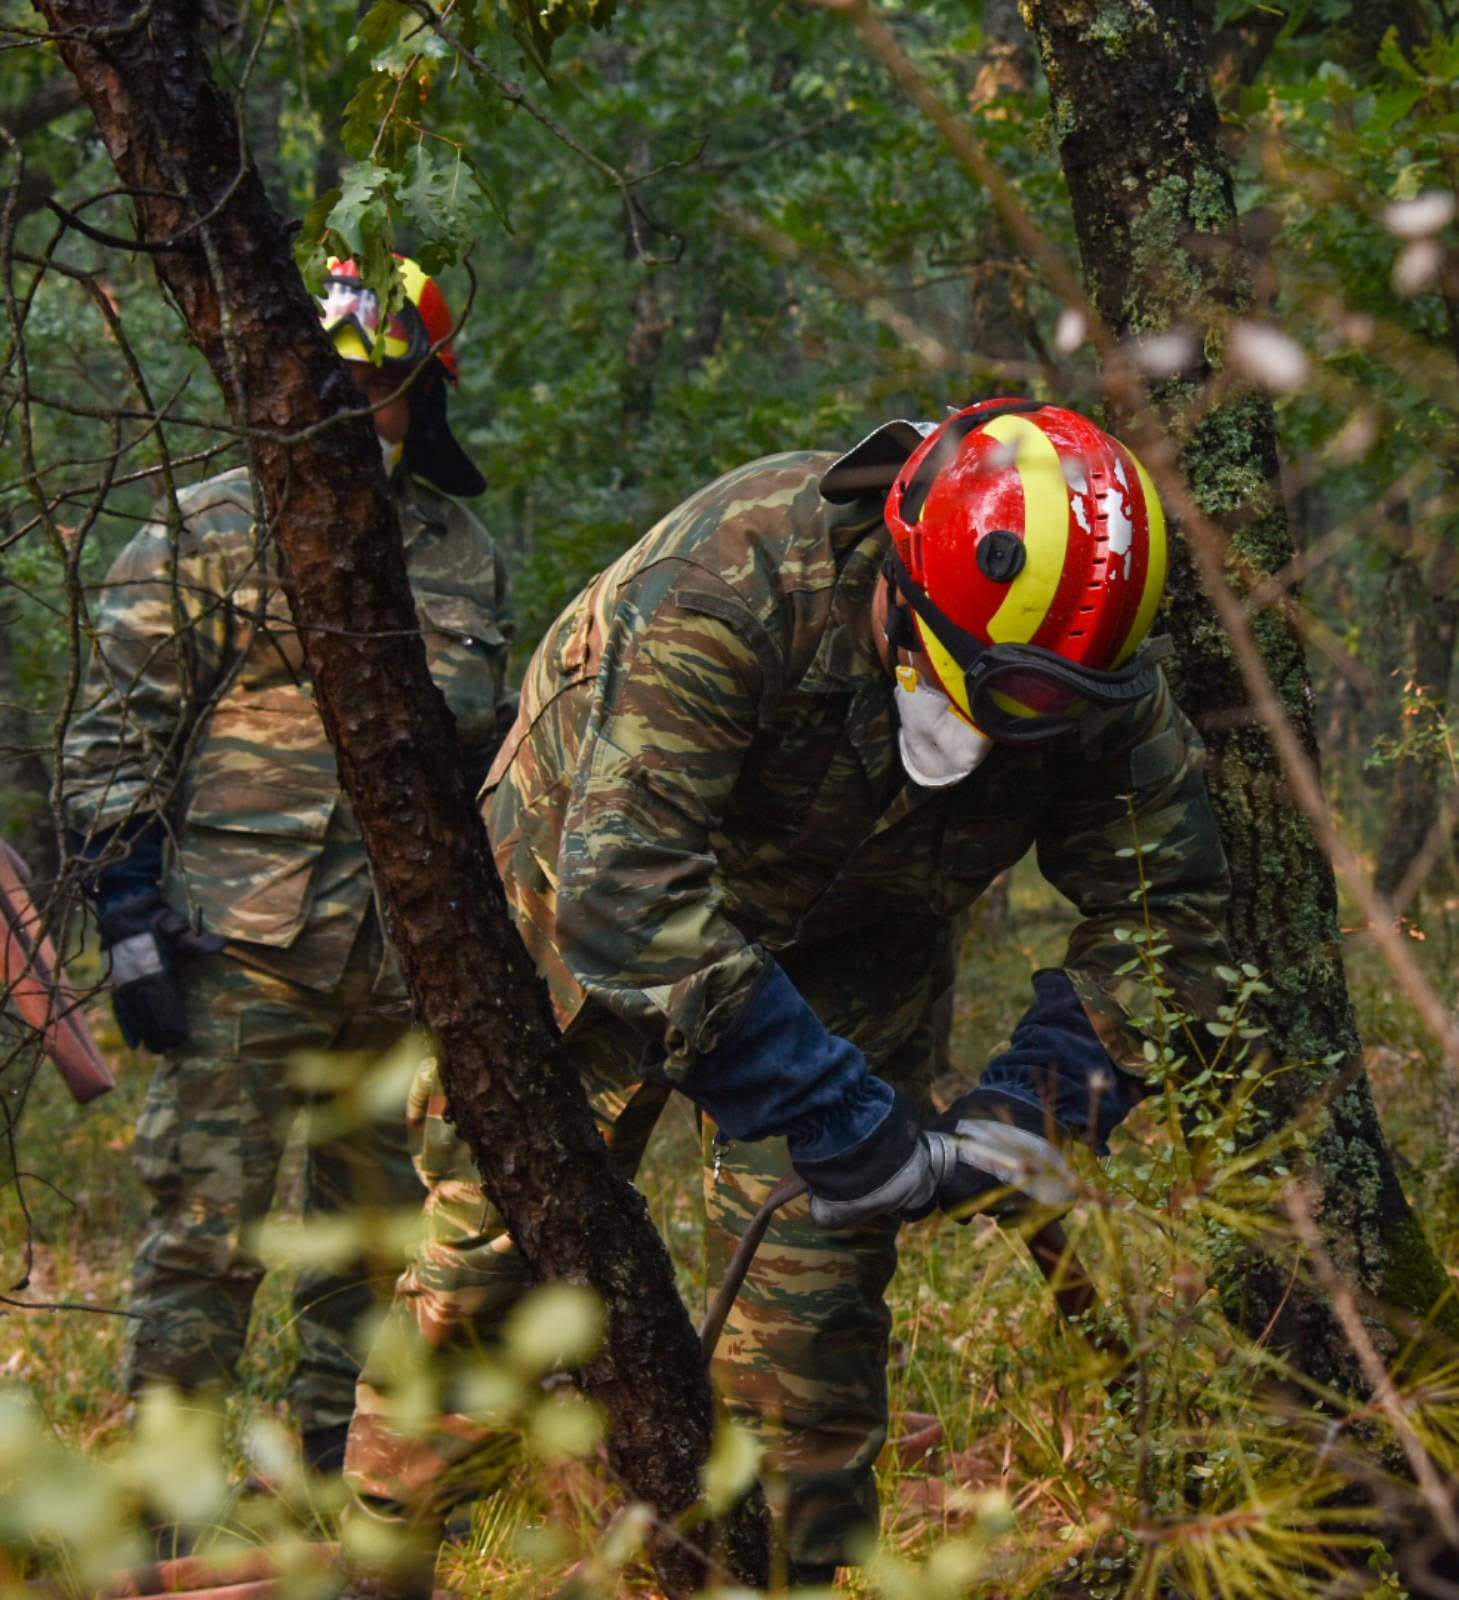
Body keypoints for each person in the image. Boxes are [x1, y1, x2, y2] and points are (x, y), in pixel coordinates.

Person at [341, 399, 1233, 1587]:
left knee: (812, 1309)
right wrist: (830, 1106)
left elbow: (1172, 914)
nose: (1028, 734)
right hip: (592, 881)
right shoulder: (727, 586)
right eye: (1005, 697)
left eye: (1057, 712)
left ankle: (780, 1574)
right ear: (906, 585)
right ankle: (378, 1563)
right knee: (494, 1256)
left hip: (861, 916)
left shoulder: (1091, 678)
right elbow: (628, 893)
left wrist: (1030, 1117)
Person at [61, 254, 513, 1476]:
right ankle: (166, 1486)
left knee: (377, 1235)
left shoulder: (461, 552)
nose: (352, 413)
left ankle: (338, 1457)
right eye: (326, 384)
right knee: (204, 1231)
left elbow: (493, 753)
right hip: (234, 947)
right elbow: (116, 735)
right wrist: (131, 912)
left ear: (421, 395)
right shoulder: (200, 531)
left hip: (404, 957)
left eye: (379, 388)